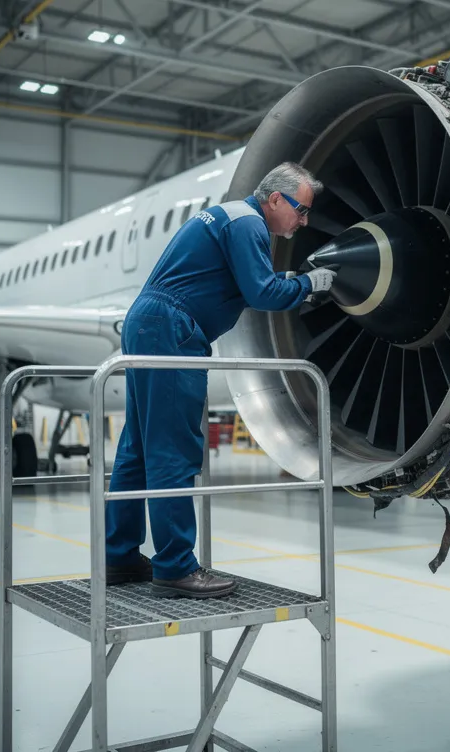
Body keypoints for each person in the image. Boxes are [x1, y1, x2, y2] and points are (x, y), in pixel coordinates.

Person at [105, 162, 337, 598]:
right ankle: (175, 567)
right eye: (301, 210)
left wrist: (286, 279)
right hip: (173, 330)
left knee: (138, 448)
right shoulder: (251, 225)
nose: (303, 221)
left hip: (148, 322)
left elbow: (250, 281)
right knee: (174, 450)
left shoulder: (232, 216)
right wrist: (308, 284)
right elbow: (261, 294)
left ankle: (118, 557)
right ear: (274, 200)